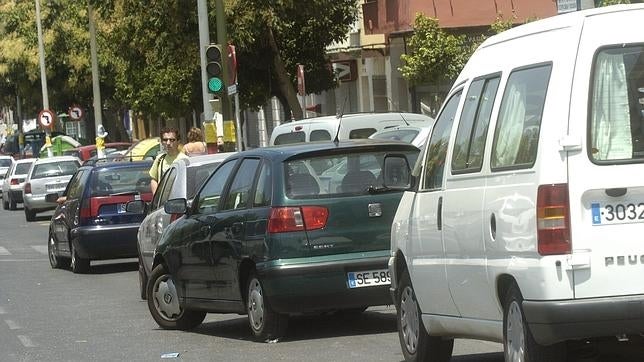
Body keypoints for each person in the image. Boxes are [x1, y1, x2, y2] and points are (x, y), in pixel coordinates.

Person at [149, 127, 188, 194]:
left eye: (172, 140)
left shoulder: (185, 160)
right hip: (163, 202)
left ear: (178, 141)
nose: (168, 143)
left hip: (179, 199)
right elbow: (154, 179)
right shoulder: (160, 159)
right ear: (161, 142)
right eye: (165, 140)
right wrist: (156, 198)